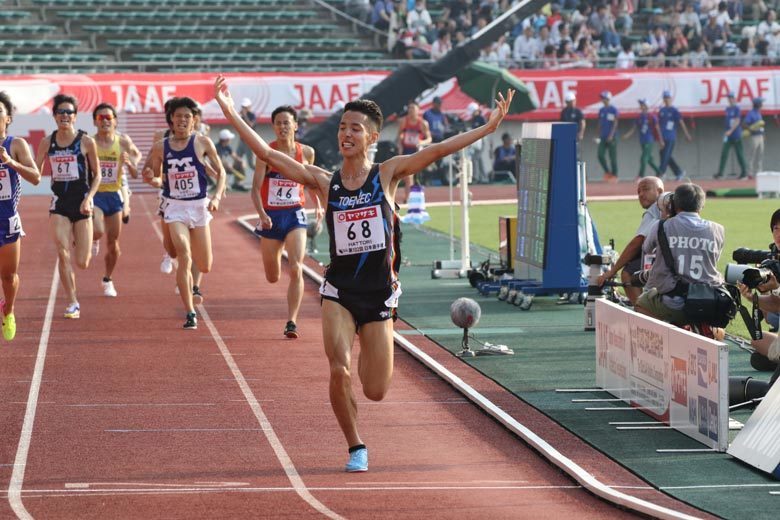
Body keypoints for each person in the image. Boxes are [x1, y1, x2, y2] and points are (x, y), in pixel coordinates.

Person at [214, 74, 514, 473]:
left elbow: (439, 149)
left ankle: (367, 383)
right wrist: (230, 111)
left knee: (374, 389)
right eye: (342, 127)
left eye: (355, 128)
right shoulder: (324, 181)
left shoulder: (387, 174)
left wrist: (489, 127)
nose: (346, 134)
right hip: (339, 290)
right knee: (338, 368)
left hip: (379, 295)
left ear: (372, 137)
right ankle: (356, 445)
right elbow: (270, 157)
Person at [142, 97, 226, 329]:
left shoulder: (203, 142)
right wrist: (151, 177)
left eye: (187, 116)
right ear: (171, 119)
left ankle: (190, 281)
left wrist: (217, 196)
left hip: (199, 206)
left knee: (205, 264)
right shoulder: (161, 146)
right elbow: (153, 175)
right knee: (184, 255)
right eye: (178, 116)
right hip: (175, 206)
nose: (182, 120)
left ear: (194, 120)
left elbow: (222, 174)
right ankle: (190, 312)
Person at [252, 105, 320, 339]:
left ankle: (291, 321)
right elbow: (254, 190)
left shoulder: (307, 152)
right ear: (273, 127)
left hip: (295, 214)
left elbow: (312, 183)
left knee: (296, 267)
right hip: (271, 217)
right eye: (278, 123)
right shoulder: (266, 153)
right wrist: (262, 215)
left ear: (295, 126)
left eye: (286, 122)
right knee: (272, 276)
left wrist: (319, 206)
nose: (282, 127)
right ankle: (275, 255)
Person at [35, 94, 101, 319]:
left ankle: (87, 238)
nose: (64, 115)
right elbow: (35, 173)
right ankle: (72, 301)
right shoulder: (47, 142)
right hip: (59, 203)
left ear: (75, 116)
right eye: (60, 112)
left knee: (82, 262)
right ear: (54, 116)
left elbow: (98, 175)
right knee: (63, 253)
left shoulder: (86, 141)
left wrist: (89, 198)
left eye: (68, 112)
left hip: (82, 202)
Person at [635, 183, 725, 327]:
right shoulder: (718, 229)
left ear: (673, 204)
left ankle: (670, 333)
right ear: (701, 206)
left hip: (674, 303)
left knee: (641, 303)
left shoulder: (660, 226)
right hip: (709, 299)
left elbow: (646, 248)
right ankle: (709, 330)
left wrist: (665, 216)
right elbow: (713, 259)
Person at [0, 92, 41, 339]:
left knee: (8, 276)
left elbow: (36, 177)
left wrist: (10, 162)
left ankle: (9, 309)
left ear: (8, 119)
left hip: (7, 220)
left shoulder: (16, 145)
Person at [91, 103, 141, 298]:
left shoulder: (122, 141)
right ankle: (93, 238)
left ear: (115, 121)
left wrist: (132, 161)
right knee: (98, 230)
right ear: (95, 121)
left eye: (108, 118)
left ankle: (107, 279)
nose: (104, 121)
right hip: (95, 194)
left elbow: (136, 155)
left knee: (113, 244)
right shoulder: (90, 142)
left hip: (114, 194)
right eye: (101, 118)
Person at [597, 177, 664, 305]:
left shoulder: (654, 209)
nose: (641, 194)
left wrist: (612, 271)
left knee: (628, 273)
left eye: (645, 189)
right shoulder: (672, 202)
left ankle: (642, 313)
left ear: (659, 191)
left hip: (667, 260)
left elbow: (637, 243)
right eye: (638, 191)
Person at [396, 100, 431, 201]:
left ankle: (414, 197)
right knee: (408, 175)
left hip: (417, 150)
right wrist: (400, 144)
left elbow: (429, 138)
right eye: (409, 108)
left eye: (413, 108)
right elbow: (399, 135)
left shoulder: (423, 123)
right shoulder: (404, 121)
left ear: (418, 110)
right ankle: (408, 198)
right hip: (406, 150)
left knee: (416, 176)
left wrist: (421, 142)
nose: (411, 111)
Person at [657, 90, 692, 181]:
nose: (666, 99)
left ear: (671, 99)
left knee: (665, 155)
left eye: (668, 98)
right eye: (665, 98)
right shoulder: (661, 111)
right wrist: (660, 138)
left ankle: (661, 173)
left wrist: (687, 134)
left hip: (671, 137)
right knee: (665, 155)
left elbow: (681, 122)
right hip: (663, 137)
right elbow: (659, 126)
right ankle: (679, 172)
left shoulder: (674, 111)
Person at [622, 99, 661, 179]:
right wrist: (627, 135)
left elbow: (657, 128)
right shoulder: (639, 117)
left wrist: (661, 140)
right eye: (640, 105)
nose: (641, 106)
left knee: (643, 158)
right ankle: (659, 173)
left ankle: (640, 175)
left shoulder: (651, 116)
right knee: (649, 159)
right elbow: (634, 128)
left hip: (649, 140)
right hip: (642, 140)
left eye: (642, 104)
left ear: (646, 106)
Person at [715, 91, 748, 179]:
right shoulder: (727, 109)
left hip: (736, 134)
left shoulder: (737, 108)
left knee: (739, 154)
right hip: (728, 136)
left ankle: (744, 172)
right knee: (724, 153)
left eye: (731, 97)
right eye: (728, 98)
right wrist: (727, 132)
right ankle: (720, 173)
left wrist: (731, 130)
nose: (729, 99)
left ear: (734, 98)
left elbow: (737, 121)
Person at [597, 90, 618, 183]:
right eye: (602, 98)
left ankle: (615, 175)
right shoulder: (601, 110)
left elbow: (615, 123)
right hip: (602, 137)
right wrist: (598, 134)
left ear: (608, 99)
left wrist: (611, 135)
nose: (603, 100)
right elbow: (600, 123)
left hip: (611, 137)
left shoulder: (613, 110)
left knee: (612, 157)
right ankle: (607, 172)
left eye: (604, 98)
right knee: (600, 154)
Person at [743, 97, 765, 177]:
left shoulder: (759, 113)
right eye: (761, 103)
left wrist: (762, 134)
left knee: (760, 154)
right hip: (754, 137)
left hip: (760, 136)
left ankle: (759, 172)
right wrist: (751, 129)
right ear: (758, 104)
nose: (762, 104)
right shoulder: (751, 113)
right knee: (752, 154)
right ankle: (750, 173)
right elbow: (744, 124)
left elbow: (761, 125)